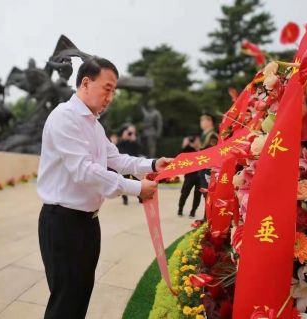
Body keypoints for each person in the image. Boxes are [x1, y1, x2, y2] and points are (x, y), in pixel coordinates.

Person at [36, 57, 172, 319]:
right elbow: (84, 170)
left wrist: (153, 164)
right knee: (66, 300)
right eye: (107, 88)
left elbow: (117, 159)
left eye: (114, 91)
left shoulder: (93, 125)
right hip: (63, 223)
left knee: (81, 294)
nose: (111, 97)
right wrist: (136, 188)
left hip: (87, 223)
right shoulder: (64, 117)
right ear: (86, 83)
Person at [198, 113, 218, 221]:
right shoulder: (204, 134)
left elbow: (213, 153)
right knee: (204, 193)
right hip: (202, 167)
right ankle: (207, 216)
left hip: (208, 169)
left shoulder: (212, 135)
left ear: (210, 121)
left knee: (209, 194)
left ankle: (209, 217)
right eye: (201, 120)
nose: (202, 123)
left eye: (204, 120)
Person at [116, 123, 142, 205]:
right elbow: (117, 150)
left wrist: (134, 141)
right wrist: (124, 139)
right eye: (129, 132)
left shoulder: (137, 139)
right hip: (125, 164)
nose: (131, 134)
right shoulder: (122, 140)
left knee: (138, 181)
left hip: (134, 164)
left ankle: (141, 197)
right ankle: (125, 198)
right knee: (124, 181)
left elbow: (140, 149)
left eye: (132, 132)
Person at [177, 135, 201, 218]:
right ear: (193, 142)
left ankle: (193, 211)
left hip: (200, 176)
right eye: (197, 140)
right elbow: (179, 156)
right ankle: (180, 209)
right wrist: (184, 146)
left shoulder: (203, 149)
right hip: (190, 175)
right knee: (185, 193)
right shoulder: (188, 149)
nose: (198, 142)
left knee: (198, 194)